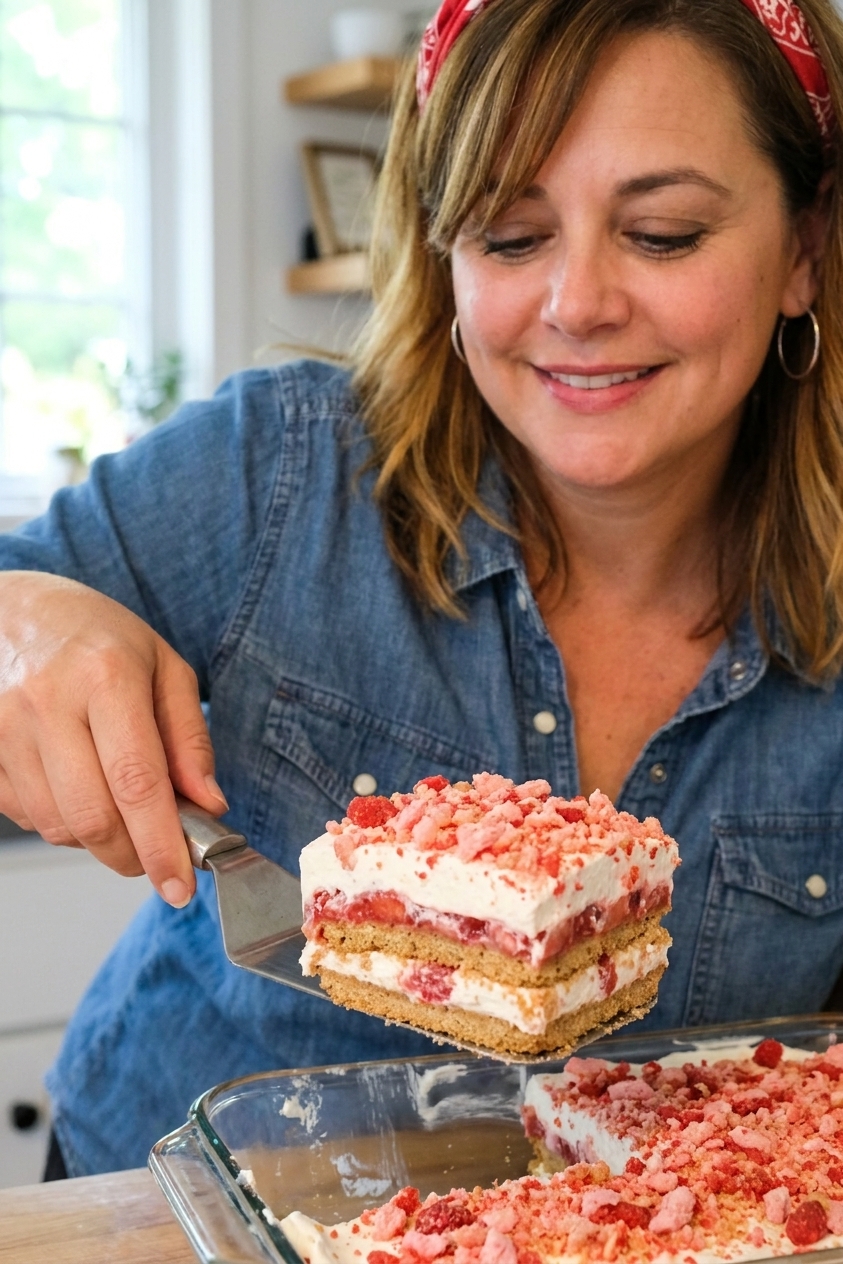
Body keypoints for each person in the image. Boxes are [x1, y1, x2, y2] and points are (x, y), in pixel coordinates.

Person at [1, 0, 842, 1177]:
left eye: (661, 233)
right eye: (509, 237)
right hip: (166, 1215)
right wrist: (20, 631)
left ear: (804, 248)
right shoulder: (279, 474)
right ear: (444, 254)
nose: (578, 302)